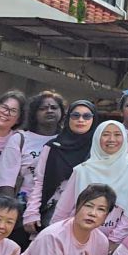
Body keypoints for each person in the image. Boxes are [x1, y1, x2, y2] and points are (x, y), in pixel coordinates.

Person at [51, 121, 128, 248]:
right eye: (105, 134)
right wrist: (55, 235)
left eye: (117, 134)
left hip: (116, 242)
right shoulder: (82, 170)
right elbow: (63, 209)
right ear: (97, 138)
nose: (112, 139)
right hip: (78, 239)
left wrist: (113, 241)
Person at [26, 100, 97, 233]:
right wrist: (32, 212)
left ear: (94, 119)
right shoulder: (53, 147)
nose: (81, 120)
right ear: (68, 118)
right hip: (53, 214)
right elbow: (39, 181)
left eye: (87, 116)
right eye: (75, 115)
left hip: (88, 215)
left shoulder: (99, 150)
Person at [17, 91, 66, 214]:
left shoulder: (68, 140)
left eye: (54, 107)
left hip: (59, 209)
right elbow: (6, 180)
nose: (49, 111)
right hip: (23, 206)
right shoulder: (20, 138)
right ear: (34, 114)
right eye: (43, 108)